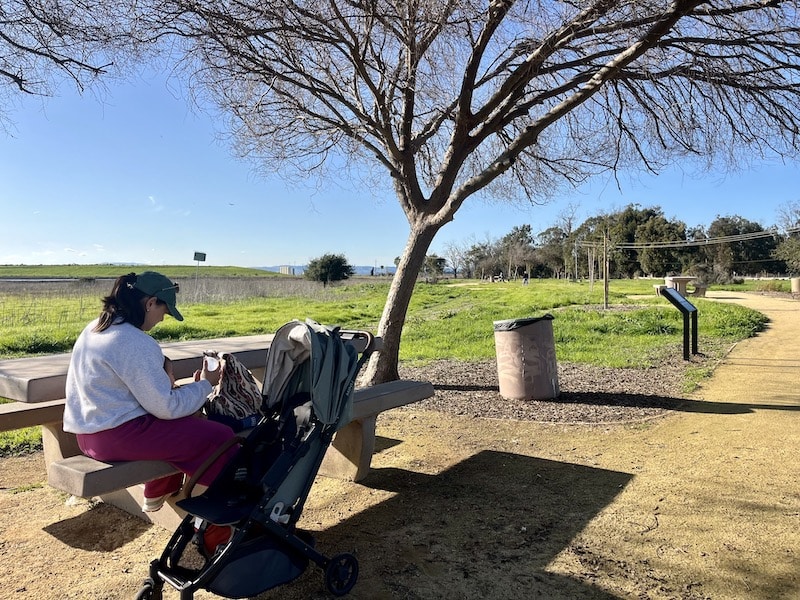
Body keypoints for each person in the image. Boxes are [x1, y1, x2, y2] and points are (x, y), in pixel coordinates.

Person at [63, 271, 238, 512]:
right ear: (150, 303)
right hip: (117, 435)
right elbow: (167, 407)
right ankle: (209, 520)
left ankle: (159, 491)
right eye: (164, 312)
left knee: (186, 429)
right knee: (221, 437)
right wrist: (206, 384)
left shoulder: (96, 327)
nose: (162, 320)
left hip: (88, 434)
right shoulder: (133, 341)